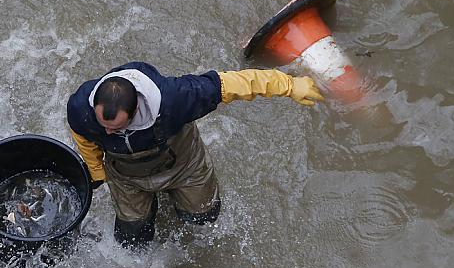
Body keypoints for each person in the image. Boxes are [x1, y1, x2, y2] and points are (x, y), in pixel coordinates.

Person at [66, 62, 324, 246]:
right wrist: (96, 170)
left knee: (203, 219)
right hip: (125, 174)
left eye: (117, 127)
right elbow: (83, 136)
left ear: (135, 111)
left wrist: (289, 85)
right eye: (104, 127)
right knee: (132, 237)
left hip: (183, 164)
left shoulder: (176, 98)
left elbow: (231, 84)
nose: (108, 133)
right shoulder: (81, 107)